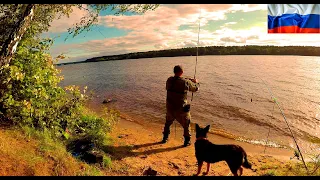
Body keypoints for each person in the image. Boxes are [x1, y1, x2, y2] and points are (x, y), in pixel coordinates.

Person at [161, 65, 200, 147]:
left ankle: (165, 138)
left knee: (167, 123)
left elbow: (177, 80)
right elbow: (195, 89)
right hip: (181, 109)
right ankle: (187, 141)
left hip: (170, 108)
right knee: (186, 124)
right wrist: (196, 82)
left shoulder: (169, 80)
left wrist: (188, 80)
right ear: (182, 72)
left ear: (174, 71)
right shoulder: (185, 82)